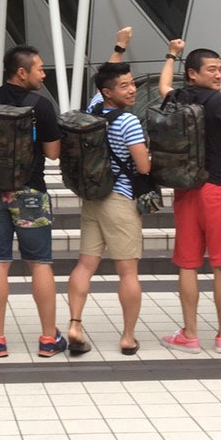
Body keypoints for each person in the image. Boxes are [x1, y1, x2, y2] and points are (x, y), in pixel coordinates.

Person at [0, 9, 66, 358]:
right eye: (39, 68)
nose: (43, 73)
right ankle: (48, 339)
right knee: (40, 263)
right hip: (30, 192)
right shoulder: (42, 106)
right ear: (22, 72)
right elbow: (53, 154)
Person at [156, 38, 221, 354]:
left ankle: (190, 335)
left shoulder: (178, 98)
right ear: (193, 73)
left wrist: (171, 55)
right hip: (217, 190)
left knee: (188, 264)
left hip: (186, 190)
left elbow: (163, 85)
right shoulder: (220, 101)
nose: (218, 74)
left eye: (220, 69)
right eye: (212, 69)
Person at [66, 43, 151, 356]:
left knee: (85, 264)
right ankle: (128, 336)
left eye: (132, 84)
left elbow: (102, 78)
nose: (132, 90)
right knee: (128, 272)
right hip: (120, 200)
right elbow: (143, 166)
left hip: (93, 198)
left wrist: (118, 49)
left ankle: (75, 324)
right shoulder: (128, 122)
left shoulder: (91, 113)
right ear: (108, 92)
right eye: (124, 86)